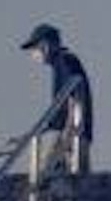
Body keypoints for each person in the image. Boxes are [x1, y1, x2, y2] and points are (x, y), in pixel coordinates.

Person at [21, 23, 94, 181]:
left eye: (33, 49)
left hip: (66, 132)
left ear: (45, 46)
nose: (33, 55)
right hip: (65, 130)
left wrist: (70, 130)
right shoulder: (62, 63)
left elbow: (75, 96)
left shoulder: (65, 61)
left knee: (45, 174)